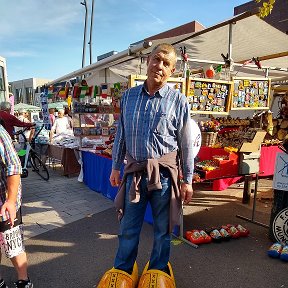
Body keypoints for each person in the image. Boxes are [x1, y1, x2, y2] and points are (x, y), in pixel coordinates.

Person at [97, 43, 194, 288]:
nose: (159, 66)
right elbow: (121, 135)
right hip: (135, 176)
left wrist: (188, 180)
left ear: (171, 71)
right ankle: (123, 271)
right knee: (128, 228)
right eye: (156, 59)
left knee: (162, 230)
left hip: (164, 177)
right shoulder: (128, 97)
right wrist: (115, 167)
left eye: (166, 64)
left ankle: (158, 272)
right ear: (148, 61)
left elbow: (186, 145)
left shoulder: (178, 101)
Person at [0, 124, 33, 288]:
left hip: (4, 200)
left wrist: (11, 201)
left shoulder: (0, 133)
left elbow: (14, 166)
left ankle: (24, 280)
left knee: (12, 241)